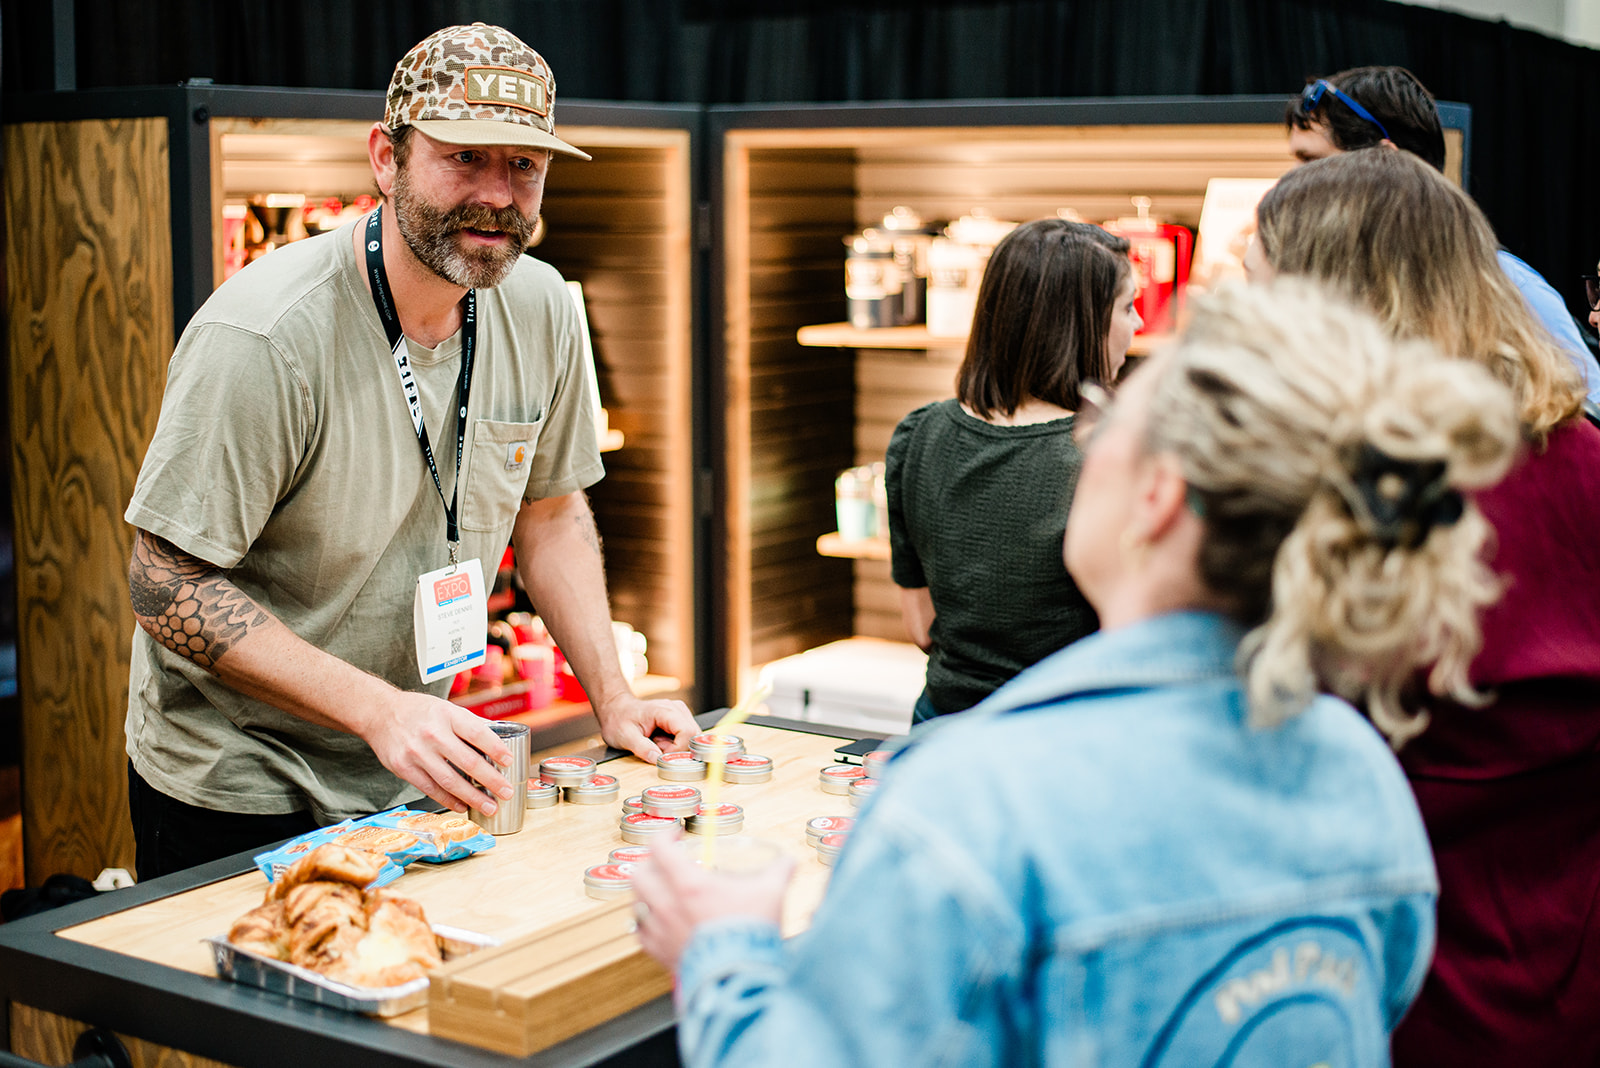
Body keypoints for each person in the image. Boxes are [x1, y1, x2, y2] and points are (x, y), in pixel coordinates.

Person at [633, 280, 1525, 1066]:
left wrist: (723, 950)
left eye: (1105, 427)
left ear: (1157, 495)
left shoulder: (970, 805)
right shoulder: (1360, 773)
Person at [122, 23, 696, 880]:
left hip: (410, 766)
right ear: (385, 160)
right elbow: (163, 581)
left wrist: (613, 698)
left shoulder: (540, 307)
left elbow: (550, 513)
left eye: (524, 166)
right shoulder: (265, 335)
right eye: (465, 158)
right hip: (239, 785)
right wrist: (379, 712)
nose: (499, 196)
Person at [1252, 147, 1600, 1066]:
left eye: (1262, 291)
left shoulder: (1349, 496)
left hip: (1377, 994)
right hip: (1558, 976)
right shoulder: (1583, 464)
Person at [886, 219, 1136, 722]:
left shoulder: (919, 435)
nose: (1138, 325)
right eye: (1128, 307)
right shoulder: (1109, 457)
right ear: (1081, 323)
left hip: (941, 731)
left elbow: (922, 626)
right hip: (1061, 742)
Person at [1285, 65, 1600, 405]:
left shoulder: (1507, 289)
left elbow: (1588, 427)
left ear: (1385, 164)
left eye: (1313, 162)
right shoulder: (1327, 289)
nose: (1290, 183)